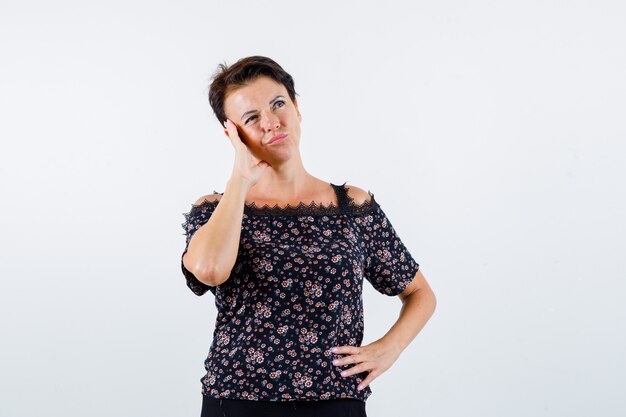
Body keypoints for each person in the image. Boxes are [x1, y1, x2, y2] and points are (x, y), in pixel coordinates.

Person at [180, 55, 437, 417]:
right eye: (251, 118)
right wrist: (240, 179)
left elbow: (420, 292)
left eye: (278, 104)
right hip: (238, 401)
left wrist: (389, 348)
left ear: (297, 108)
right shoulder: (215, 210)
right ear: (232, 134)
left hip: (336, 400)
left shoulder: (352, 205)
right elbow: (209, 269)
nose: (271, 123)